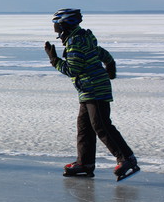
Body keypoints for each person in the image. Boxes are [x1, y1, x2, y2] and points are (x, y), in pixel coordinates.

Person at [43, 9, 140, 181]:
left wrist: (54, 60)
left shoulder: (75, 41)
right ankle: (84, 163)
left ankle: (127, 159)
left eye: (56, 24)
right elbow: (99, 52)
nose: (55, 28)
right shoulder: (82, 37)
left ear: (65, 23)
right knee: (85, 128)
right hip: (88, 90)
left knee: (102, 126)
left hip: (94, 89)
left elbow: (73, 69)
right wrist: (110, 64)